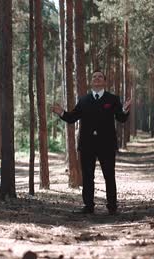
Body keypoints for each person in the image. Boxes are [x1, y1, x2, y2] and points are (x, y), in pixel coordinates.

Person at [51, 70, 132, 215]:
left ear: (104, 81)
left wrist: (125, 110)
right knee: (88, 177)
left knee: (109, 175)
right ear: (91, 81)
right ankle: (88, 206)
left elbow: (121, 118)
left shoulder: (112, 99)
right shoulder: (83, 100)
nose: (97, 79)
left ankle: (112, 207)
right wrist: (61, 112)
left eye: (100, 77)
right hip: (87, 144)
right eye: (94, 77)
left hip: (106, 144)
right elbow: (72, 118)